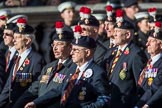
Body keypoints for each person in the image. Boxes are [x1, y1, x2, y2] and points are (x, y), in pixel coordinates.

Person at [13, 21, 74, 108]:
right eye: (54, 44)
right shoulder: (49, 67)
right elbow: (35, 87)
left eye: (60, 44)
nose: (55, 48)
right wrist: (18, 104)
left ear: (70, 47)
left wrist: (36, 103)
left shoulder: (73, 68)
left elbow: (57, 91)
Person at [103, 20, 147, 108]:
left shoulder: (135, 54)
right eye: (114, 31)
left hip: (125, 104)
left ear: (127, 35)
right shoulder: (112, 52)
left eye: (118, 31)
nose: (114, 34)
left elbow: (140, 84)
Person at [0, 20, 44, 107]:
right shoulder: (15, 58)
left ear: (27, 41)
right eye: (14, 37)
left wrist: (18, 104)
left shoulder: (37, 60)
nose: (14, 40)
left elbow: (35, 86)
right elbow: (8, 87)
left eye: (17, 37)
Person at [60, 36, 109, 108]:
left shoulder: (98, 73)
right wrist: (38, 102)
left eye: (75, 50)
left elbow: (104, 99)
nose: (71, 53)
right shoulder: (73, 68)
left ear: (87, 52)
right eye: (71, 49)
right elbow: (61, 89)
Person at [135, 29, 162, 108]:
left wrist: (139, 105)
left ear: (161, 45)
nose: (147, 44)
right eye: (147, 41)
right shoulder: (147, 62)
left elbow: (154, 88)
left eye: (151, 41)